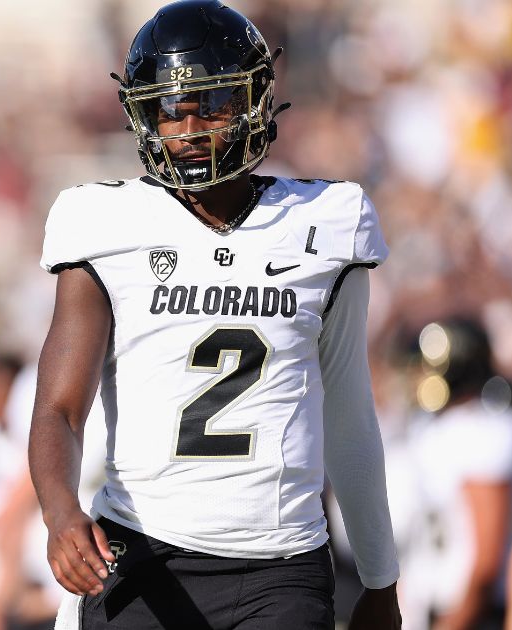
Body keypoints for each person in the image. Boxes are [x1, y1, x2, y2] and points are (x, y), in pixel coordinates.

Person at [28, 2, 402, 628]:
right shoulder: (102, 224)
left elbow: (348, 411)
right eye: (170, 108)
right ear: (143, 115)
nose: (190, 126)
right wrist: (60, 510)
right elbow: (60, 408)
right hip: (142, 550)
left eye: (214, 102)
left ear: (256, 102)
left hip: (281, 563)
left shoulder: (327, 222)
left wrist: (379, 577)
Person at [401, 320, 512, 630]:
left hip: (471, 614)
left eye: (431, 363)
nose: (420, 373)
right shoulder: (431, 428)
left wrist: (453, 622)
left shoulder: (488, 430)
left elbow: (485, 562)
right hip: (430, 609)